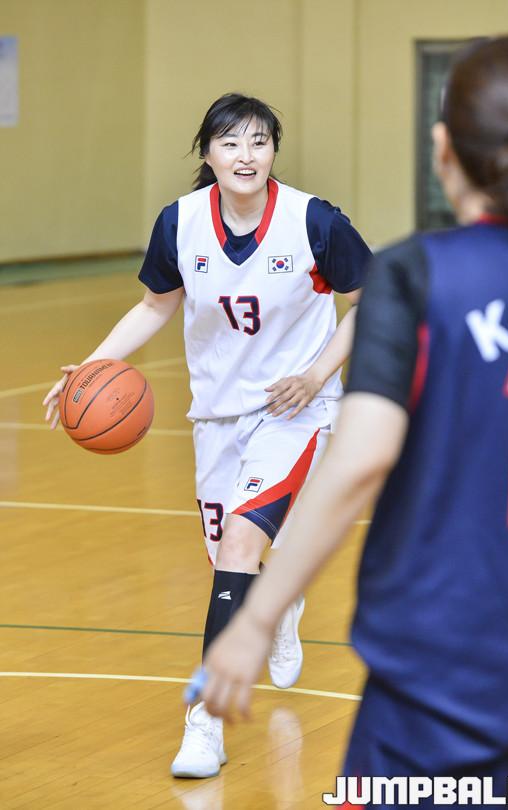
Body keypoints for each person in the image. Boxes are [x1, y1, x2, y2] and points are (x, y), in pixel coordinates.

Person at [199, 37, 508, 801]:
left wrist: (256, 620)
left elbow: (359, 462)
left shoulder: (420, 274)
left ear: (442, 148)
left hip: (443, 669)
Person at [42, 92, 372, 779]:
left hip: (294, 411)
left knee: (239, 546)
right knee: (231, 561)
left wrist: (316, 375)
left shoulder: (313, 220)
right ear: (208, 153)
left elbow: (372, 302)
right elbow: (153, 305)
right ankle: (280, 600)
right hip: (216, 417)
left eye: (259, 141)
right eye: (231, 142)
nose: (246, 155)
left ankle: (204, 722)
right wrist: (92, 369)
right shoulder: (180, 222)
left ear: (274, 150)